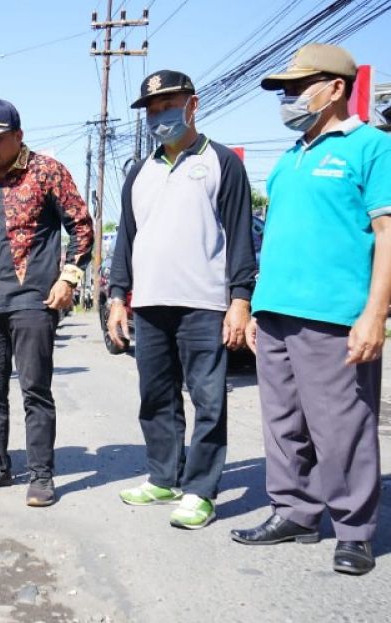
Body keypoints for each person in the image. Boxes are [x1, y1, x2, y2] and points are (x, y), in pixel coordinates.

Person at [231, 44, 391, 576]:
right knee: (282, 422)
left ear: (337, 87)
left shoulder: (371, 147)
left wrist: (374, 314)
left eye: (299, 87)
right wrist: (255, 305)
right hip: (276, 310)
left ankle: (354, 530)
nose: (290, 98)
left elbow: (388, 235)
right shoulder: (290, 159)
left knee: (341, 426)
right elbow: (275, 237)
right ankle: (295, 511)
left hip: (336, 314)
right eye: (285, 90)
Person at [106, 70, 257, 530]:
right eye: (152, 110)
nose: (159, 117)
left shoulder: (222, 162)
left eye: (168, 106)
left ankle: (201, 491)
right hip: (149, 302)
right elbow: (126, 241)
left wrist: (240, 299)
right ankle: (164, 478)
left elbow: (240, 236)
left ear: (192, 105)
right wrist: (117, 297)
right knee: (155, 397)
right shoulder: (140, 170)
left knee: (208, 398)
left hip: (204, 303)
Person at [0, 99, 94, 508]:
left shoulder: (47, 171)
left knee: (35, 390)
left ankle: (41, 474)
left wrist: (69, 277)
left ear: (18, 136)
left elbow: (81, 226)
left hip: (33, 302)